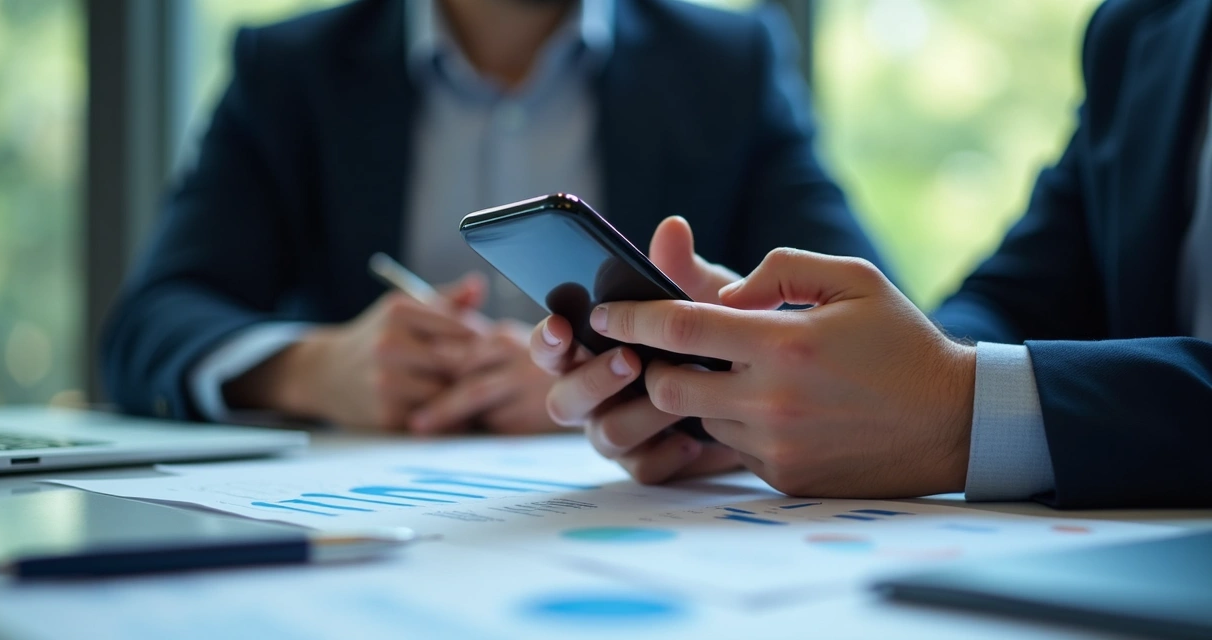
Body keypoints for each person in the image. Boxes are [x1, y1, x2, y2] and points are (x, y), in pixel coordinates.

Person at [531, 0, 1212, 510]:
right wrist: (771, 385)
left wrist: (963, 411)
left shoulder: (724, 55)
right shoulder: (1146, 24)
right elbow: (1017, 298)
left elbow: (957, 378)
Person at [100, 0, 885, 435]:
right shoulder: (291, 70)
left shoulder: (729, 63)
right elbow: (151, 320)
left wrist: (636, 375)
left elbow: (857, 324)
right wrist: (312, 369)